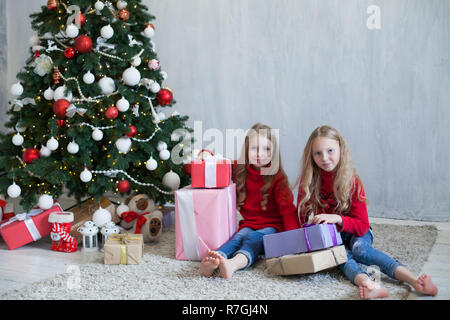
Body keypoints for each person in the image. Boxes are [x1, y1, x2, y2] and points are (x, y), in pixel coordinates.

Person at [296, 125, 438, 299]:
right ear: (311, 155)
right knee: (341, 257)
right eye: (318, 153)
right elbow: (301, 216)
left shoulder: (352, 181)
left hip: (357, 231)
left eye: (330, 150)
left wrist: (338, 218)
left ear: (341, 150)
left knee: (360, 249)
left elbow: (362, 226)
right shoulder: (309, 180)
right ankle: (369, 285)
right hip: (331, 235)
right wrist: (300, 241)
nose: (325, 158)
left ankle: (416, 281)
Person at [201, 123, 300, 279]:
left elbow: (288, 211)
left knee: (253, 239)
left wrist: (293, 239)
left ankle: (234, 264)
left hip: (273, 226)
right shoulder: (240, 169)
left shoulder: (278, 178)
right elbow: (216, 162)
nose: (260, 154)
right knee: (238, 237)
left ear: (274, 152)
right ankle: (216, 259)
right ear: (246, 150)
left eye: (266, 149)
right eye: (254, 148)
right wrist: (205, 154)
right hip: (249, 223)